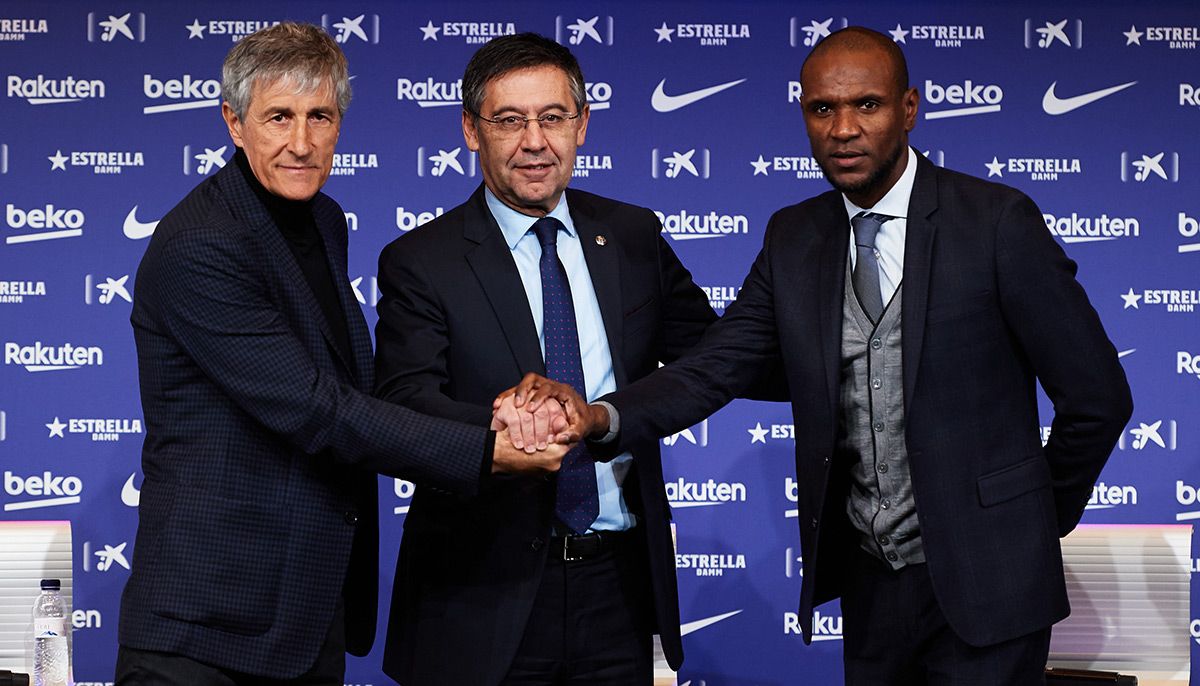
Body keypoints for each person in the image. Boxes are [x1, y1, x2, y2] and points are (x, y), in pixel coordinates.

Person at [509, 26, 1133, 685]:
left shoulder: (996, 221)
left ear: (909, 109)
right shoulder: (795, 236)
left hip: (994, 589)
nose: (843, 128)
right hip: (871, 585)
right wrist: (599, 418)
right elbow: (715, 365)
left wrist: (1029, 518)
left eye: (867, 105)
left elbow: (1097, 397)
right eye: (822, 109)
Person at [114, 23, 563, 685]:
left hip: (303, 616)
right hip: (207, 630)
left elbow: (353, 386)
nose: (302, 142)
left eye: (319, 116)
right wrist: (487, 449)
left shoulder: (321, 218)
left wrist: (490, 419)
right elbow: (318, 410)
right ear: (234, 124)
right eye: (278, 117)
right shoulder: (200, 246)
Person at [373, 32, 720, 685]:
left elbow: (719, 356)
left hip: (619, 591)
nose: (535, 141)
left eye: (553, 117)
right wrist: (496, 430)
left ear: (582, 124)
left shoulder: (633, 236)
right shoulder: (422, 261)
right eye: (509, 121)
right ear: (472, 131)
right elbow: (402, 404)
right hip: (481, 594)